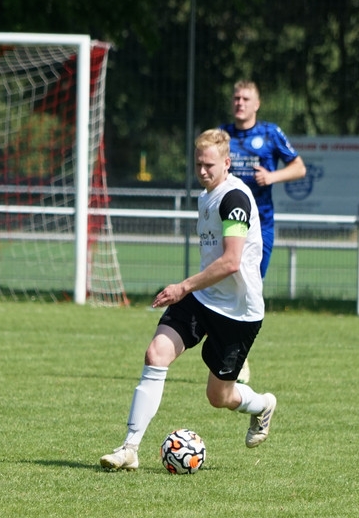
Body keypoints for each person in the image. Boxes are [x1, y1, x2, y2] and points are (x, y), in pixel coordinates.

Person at [100, 128, 277, 470]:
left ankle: (263, 405)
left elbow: (231, 262)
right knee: (156, 353)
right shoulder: (204, 196)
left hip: (238, 312)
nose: (203, 171)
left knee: (219, 396)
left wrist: (183, 287)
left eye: (209, 165)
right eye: (198, 164)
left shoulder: (233, 199)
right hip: (202, 297)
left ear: (227, 163)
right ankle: (129, 448)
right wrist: (190, 290)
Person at [221, 80, 306, 383]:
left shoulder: (270, 133)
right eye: (236, 98)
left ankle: (238, 353)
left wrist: (272, 177)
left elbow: (299, 168)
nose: (240, 103)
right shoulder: (222, 135)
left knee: (249, 286)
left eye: (246, 99)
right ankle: (232, 353)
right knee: (226, 285)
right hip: (228, 224)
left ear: (257, 104)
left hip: (260, 226)